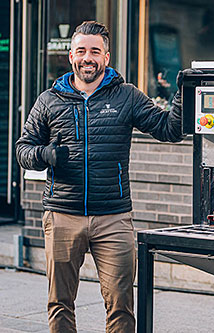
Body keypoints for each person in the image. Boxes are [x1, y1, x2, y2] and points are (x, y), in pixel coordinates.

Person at [16, 21, 188, 332]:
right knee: (60, 304)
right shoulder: (49, 101)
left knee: (121, 306)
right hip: (62, 215)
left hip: (113, 218)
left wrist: (181, 96)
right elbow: (23, 149)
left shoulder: (127, 96)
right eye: (81, 51)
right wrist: (45, 155)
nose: (87, 58)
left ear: (106, 57)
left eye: (95, 51)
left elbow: (169, 130)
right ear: (71, 55)